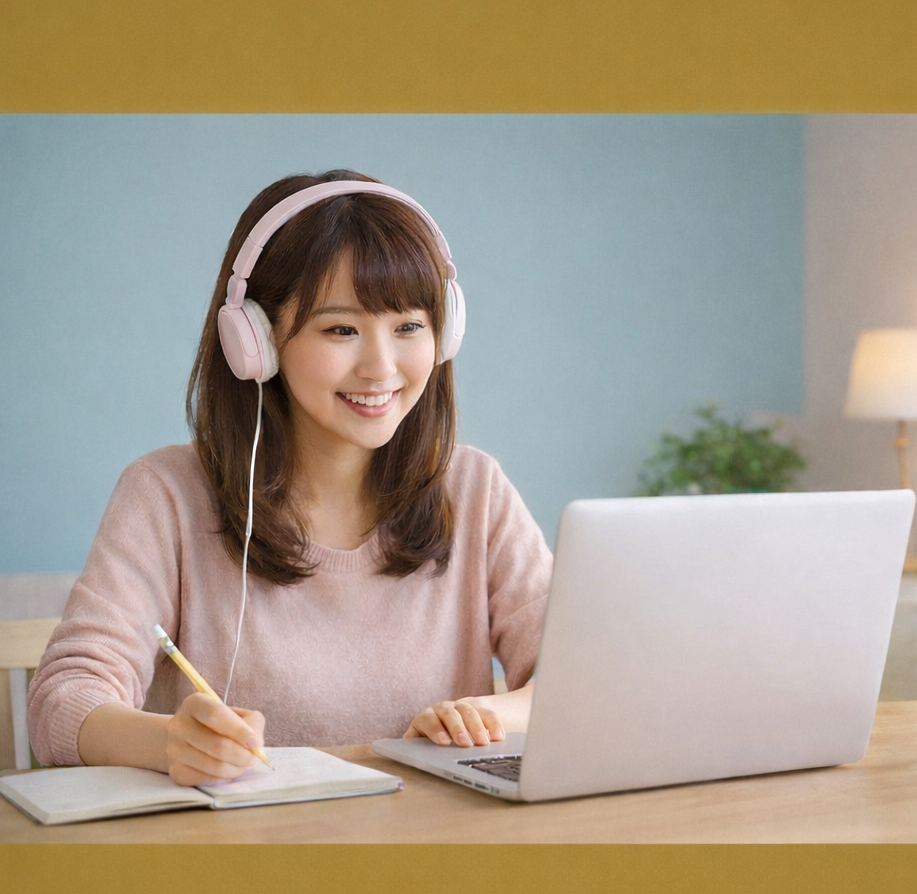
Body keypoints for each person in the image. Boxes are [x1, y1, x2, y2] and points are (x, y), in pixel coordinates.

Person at [27, 169, 552, 786]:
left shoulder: (474, 488)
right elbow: (63, 698)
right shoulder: (166, 493)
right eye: (341, 329)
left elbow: (586, 678)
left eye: (409, 326)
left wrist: (486, 714)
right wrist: (169, 740)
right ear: (254, 338)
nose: (382, 367)